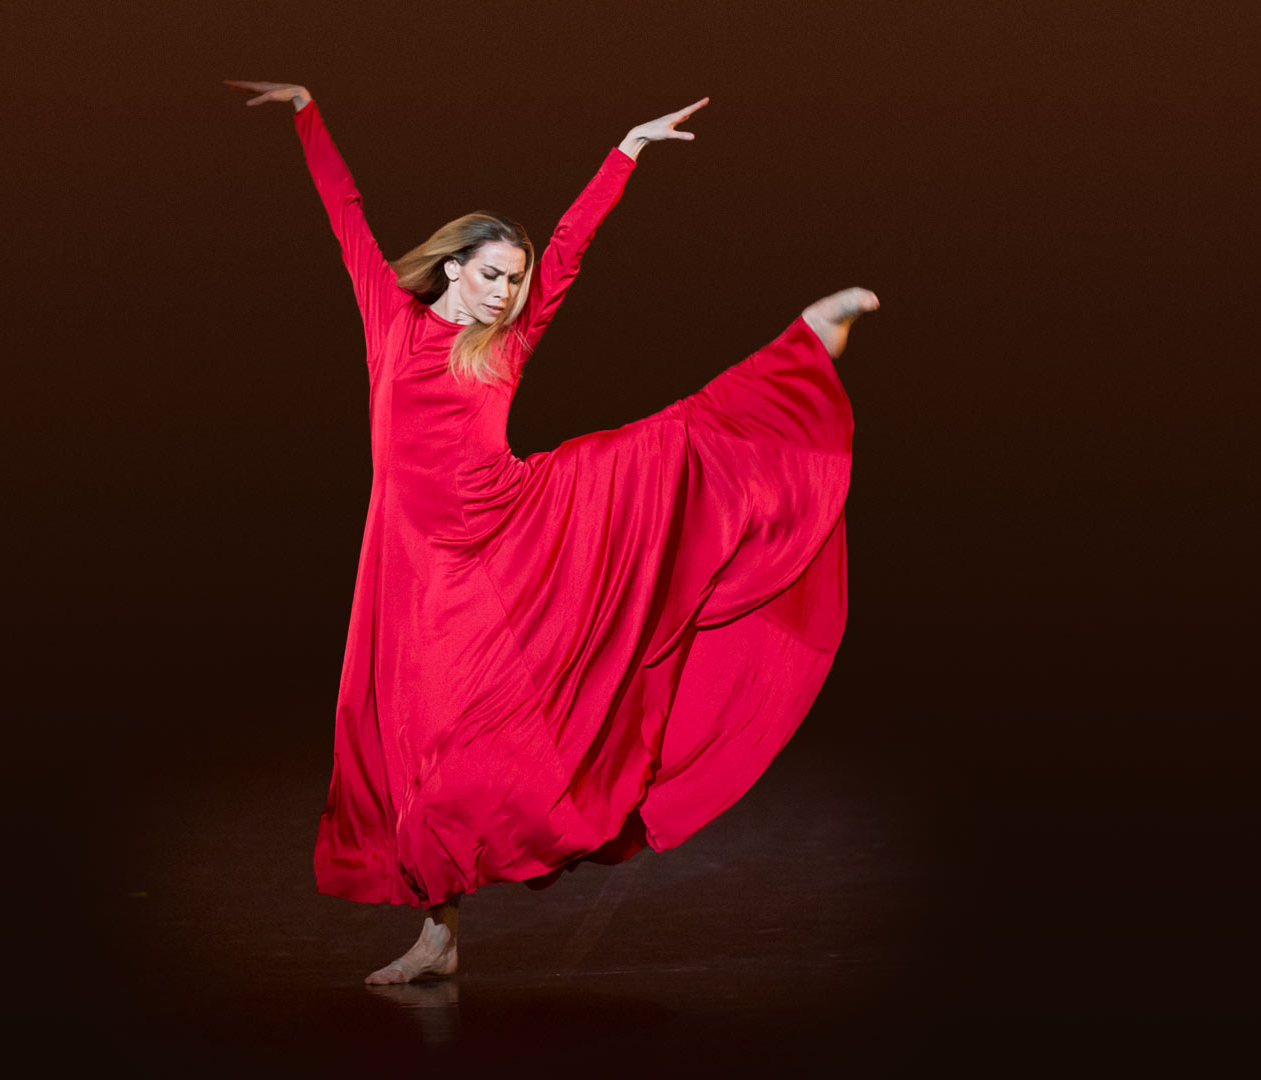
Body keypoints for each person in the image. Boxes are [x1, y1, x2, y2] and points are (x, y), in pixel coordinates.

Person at [224, 79, 878, 985]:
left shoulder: (506, 341)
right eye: (492, 274)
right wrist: (306, 112)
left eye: (514, 280)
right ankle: (439, 937)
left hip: (511, 533)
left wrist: (626, 151)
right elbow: (346, 215)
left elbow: (569, 249)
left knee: (665, 447)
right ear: (454, 268)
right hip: (412, 566)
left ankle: (801, 346)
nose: (505, 292)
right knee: (414, 749)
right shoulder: (391, 321)